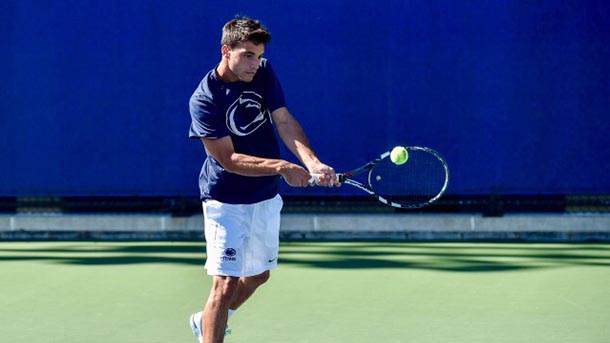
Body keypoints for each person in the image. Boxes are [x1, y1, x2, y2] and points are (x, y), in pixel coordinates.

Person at [188, 16, 336, 343]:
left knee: (257, 275)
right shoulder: (205, 98)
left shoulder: (264, 72)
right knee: (224, 284)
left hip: (265, 197)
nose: (255, 64)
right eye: (247, 56)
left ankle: (207, 320)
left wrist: (312, 162)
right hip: (224, 200)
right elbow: (228, 159)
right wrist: (282, 167)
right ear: (226, 51)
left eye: (258, 55)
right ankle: (213, 330)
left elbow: (283, 120)